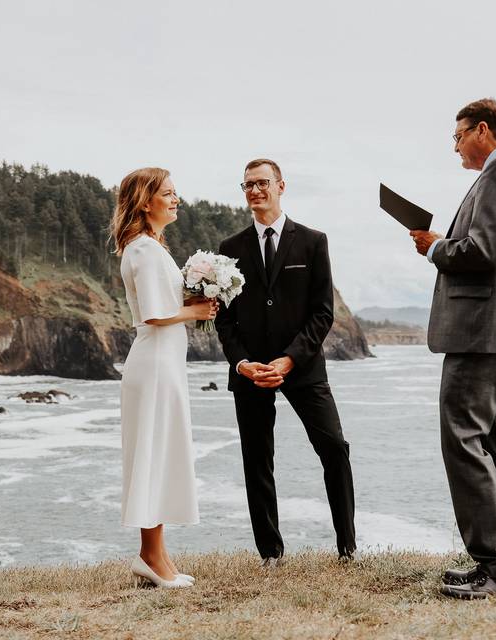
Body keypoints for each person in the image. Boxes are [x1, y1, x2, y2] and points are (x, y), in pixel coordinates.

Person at [410, 99, 496, 598]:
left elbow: (484, 252)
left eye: (458, 135)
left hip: (482, 332)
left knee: (463, 436)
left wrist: (435, 247)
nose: (455, 145)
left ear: (482, 130)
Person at [215, 158, 356, 565]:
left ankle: (347, 547)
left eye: (261, 183)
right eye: (247, 186)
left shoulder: (313, 242)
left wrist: (290, 360)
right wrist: (241, 363)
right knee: (257, 459)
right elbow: (224, 318)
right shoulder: (230, 249)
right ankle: (270, 553)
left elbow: (322, 313)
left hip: (303, 369)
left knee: (334, 448)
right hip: (251, 373)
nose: (254, 191)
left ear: (281, 185)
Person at [110, 167, 218, 588]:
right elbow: (154, 314)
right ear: (144, 201)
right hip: (154, 364)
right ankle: (152, 559)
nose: (176, 200)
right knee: (153, 456)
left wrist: (195, 298)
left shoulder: (151, 248)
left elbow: (161, 304)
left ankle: (155, 556)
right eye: (168, 193)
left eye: (176, 193)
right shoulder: (144, 250)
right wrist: (195, 311)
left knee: (158, 454)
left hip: (162, 363)